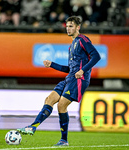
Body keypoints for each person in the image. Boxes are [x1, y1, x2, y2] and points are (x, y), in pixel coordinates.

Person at [17, 16, 101, 146]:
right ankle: (32, 127)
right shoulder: (71, 46)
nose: (68, 29)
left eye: (71, 26)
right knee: (49, 99)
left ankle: (63, 140)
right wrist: (52, 64)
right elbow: (69, 69)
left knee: (61, 105)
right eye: (67, 26)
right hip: (70, 78)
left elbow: (96, 56)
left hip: (79, 79)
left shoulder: (82, 40)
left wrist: (83, 70)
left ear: (78, 27)